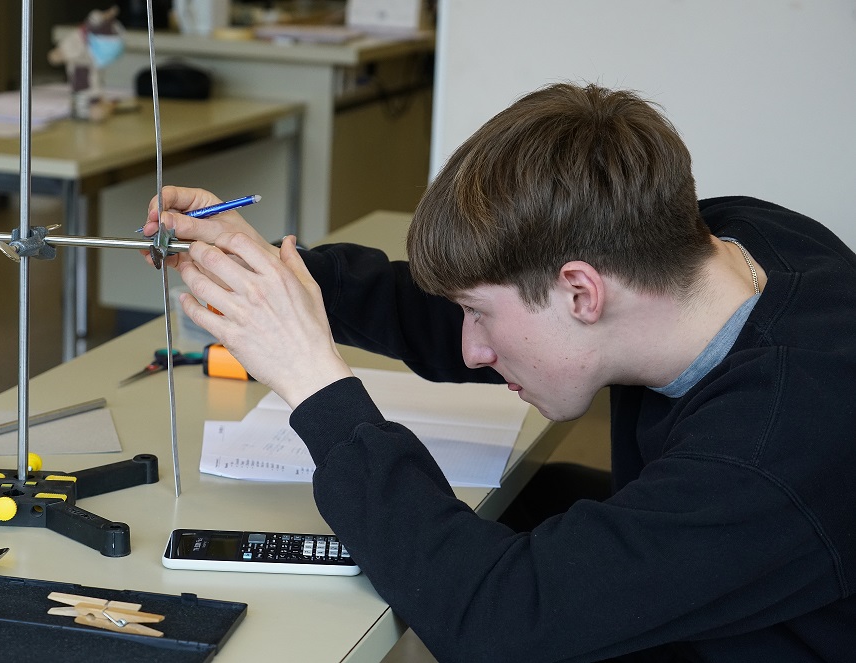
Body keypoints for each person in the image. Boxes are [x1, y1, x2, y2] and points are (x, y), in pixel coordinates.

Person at [143, 83, 856, 662]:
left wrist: (317, 387)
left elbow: (498, 623)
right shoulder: (727, 244)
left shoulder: (776, 444)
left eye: (480, 316)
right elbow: (476, 306)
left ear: (582, 291)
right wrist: (277, 276)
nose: (472, 348)